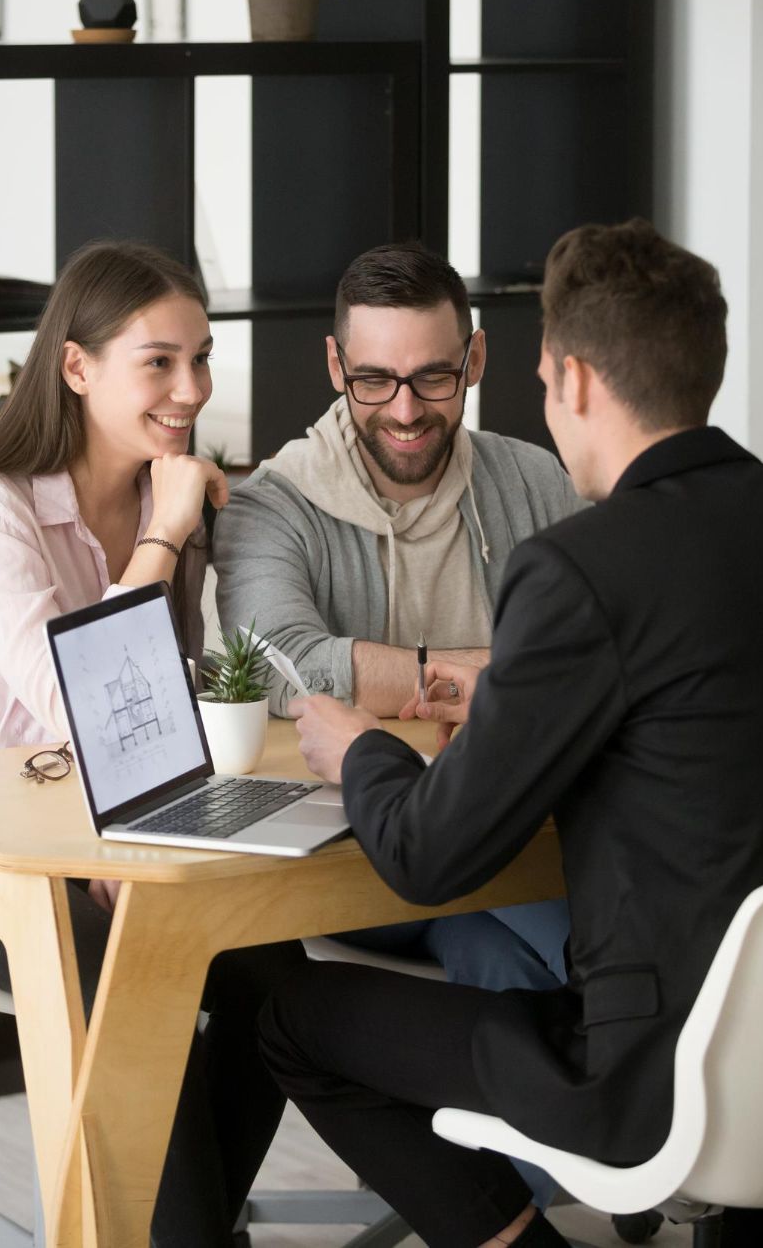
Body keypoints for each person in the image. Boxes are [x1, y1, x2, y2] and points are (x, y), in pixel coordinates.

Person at [258, 219, 763, 1248]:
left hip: (640, 1070)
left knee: (289, 1019)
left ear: (575, 380)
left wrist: (357, 744)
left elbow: (425, 855)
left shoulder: (584, 567)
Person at [0, 240, 303, 1248]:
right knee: (134, 981)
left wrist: (140, 843)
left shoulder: (169, 496)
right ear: (77, 368)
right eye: (158, 362)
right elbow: (88, 704)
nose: (191, 388)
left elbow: (177, 708)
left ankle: (182, 1230)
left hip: (105, 833)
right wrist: (164, 537)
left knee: (279, 972)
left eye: (200, 359)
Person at [213, 242, 576, 1035]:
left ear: (475, 359)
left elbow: (601, 647)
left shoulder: (536, 481)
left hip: (506, 832)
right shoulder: (271, 505)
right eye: (374, 380)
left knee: (509, 967)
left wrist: (441, 679)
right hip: (356, 851)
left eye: (433, 378)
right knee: (586, 953)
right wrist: (498, 675)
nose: (405, 411)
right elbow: (287, 667)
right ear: (336, 365)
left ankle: (574, 1137)